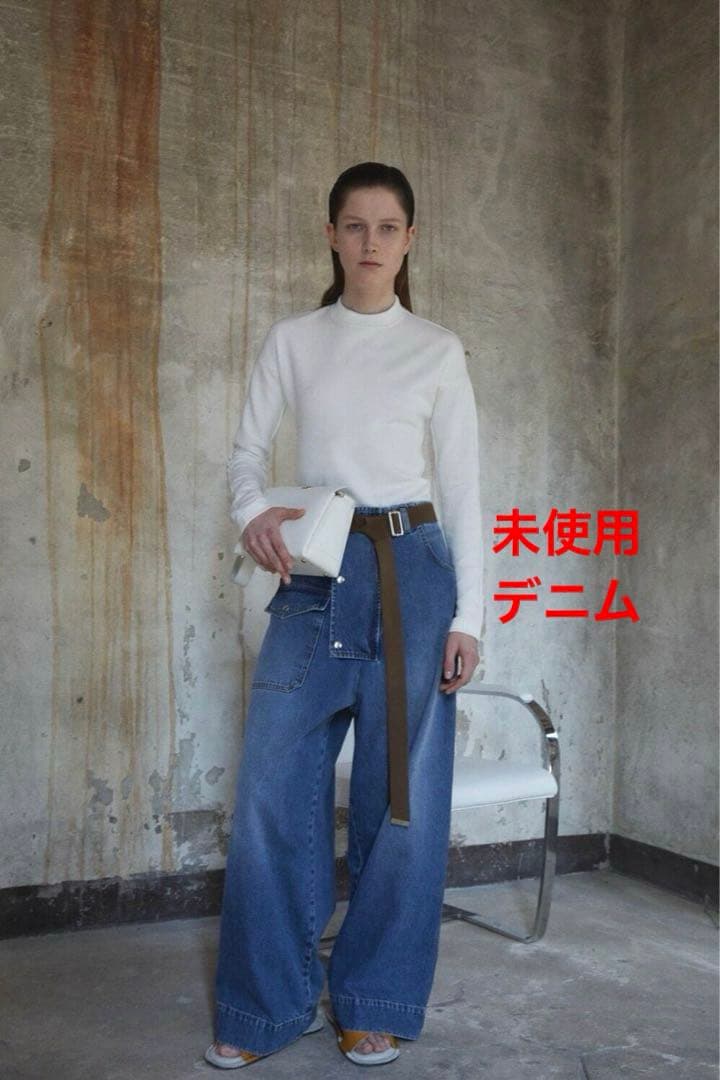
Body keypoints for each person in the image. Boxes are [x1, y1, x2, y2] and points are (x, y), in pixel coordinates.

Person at [205, 161, 483, 1069]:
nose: (371, 243)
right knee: (272, 791)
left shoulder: (437, 348)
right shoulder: (294, 339)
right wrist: (253, 513)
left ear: (410, 240)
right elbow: (245, 453)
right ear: (331, 235)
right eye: (354, 226)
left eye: (387, 228)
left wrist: (472, 616)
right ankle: (264, 1007)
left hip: (415, 570)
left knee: (401, 803)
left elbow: (465, 490)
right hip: (318, 570)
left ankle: (375, 1000)